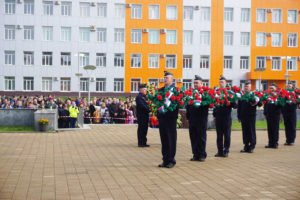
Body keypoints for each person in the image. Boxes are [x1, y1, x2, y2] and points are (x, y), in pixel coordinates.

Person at [157, 71, 179, 168]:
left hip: (171, 118)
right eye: (164, 77)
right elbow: (157, 103)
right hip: (162, 118)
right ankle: (165, 160)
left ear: (172, 79)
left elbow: (177, 104)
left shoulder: (176, 91)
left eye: (167, 78)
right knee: (164, 139)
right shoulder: (160, 90)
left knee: (171, 139)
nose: (165, 79)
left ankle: (171, 160)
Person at [186, 75, 208, 161]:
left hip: (201, 118)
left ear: (201, 83)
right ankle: (195, 154)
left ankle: (202, 154)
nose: (195, 84)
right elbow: (188, 104)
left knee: (201, 137)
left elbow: (208, 103)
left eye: (197, 83)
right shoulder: (191, 92)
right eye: (194, 83)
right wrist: (188, 116)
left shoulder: (205, 93)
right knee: (193, 137)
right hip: (192, 118)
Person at [213, 76, 235, 157]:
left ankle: (226, 150)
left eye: (222, 82)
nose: (221, 83)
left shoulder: (230, 92)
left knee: (227, 134)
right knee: (219, 135)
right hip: (218, 117)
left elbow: (235, 105)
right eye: (220, 82)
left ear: (226, 83)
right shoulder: (216, 92)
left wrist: (230, 101)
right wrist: (215, 113)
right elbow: (214, 103)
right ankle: (219, 151)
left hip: (226, 117)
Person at [237, 81, 260, 153]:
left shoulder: (253, 95)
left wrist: (254, 99)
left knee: (251, 131)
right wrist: (239, 116)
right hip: (243, 116)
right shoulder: (242, 96)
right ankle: (246, 146)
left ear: (250, 87)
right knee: (245, 131)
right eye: (245, 86)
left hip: (251, 116)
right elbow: (239, 106)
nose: (246, 88)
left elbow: (259, 104)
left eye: (248, 86)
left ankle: (252, 146)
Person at [264, 83, 281, 149]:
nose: (271, 89)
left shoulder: (278, 96)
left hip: (276, 115)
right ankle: (270, 143)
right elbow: (265, 105)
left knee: (275, 129)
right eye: (270, 88)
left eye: (272, 88)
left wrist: (276, 98)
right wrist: (265, 112)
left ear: (276, 89)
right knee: (270, 129)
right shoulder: (267, 96)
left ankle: (275, 143)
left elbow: (280, 105)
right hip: (269, 114)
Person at [281, 81, 297, 146]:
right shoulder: (284, 93)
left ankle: (292, 140)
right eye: (287, 86)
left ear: (292, 87)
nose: (288, 87)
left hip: (292, 112)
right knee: (287, 126)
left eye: (289, 86)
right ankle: (288, 140)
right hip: (285, 112)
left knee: (292, 126)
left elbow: (297, 102)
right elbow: (282, 102)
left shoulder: (295, 93)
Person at [135, 83, 150, 147]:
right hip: (141, 116)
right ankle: (140, 143)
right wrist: (149, 109)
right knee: (141, 129)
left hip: (145, 115)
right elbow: (142, 106)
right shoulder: (139, 97)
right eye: (144, 90)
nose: (145, 91)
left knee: (145, 129)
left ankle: (144, 142)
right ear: (141, 90)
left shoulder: (144, 96)